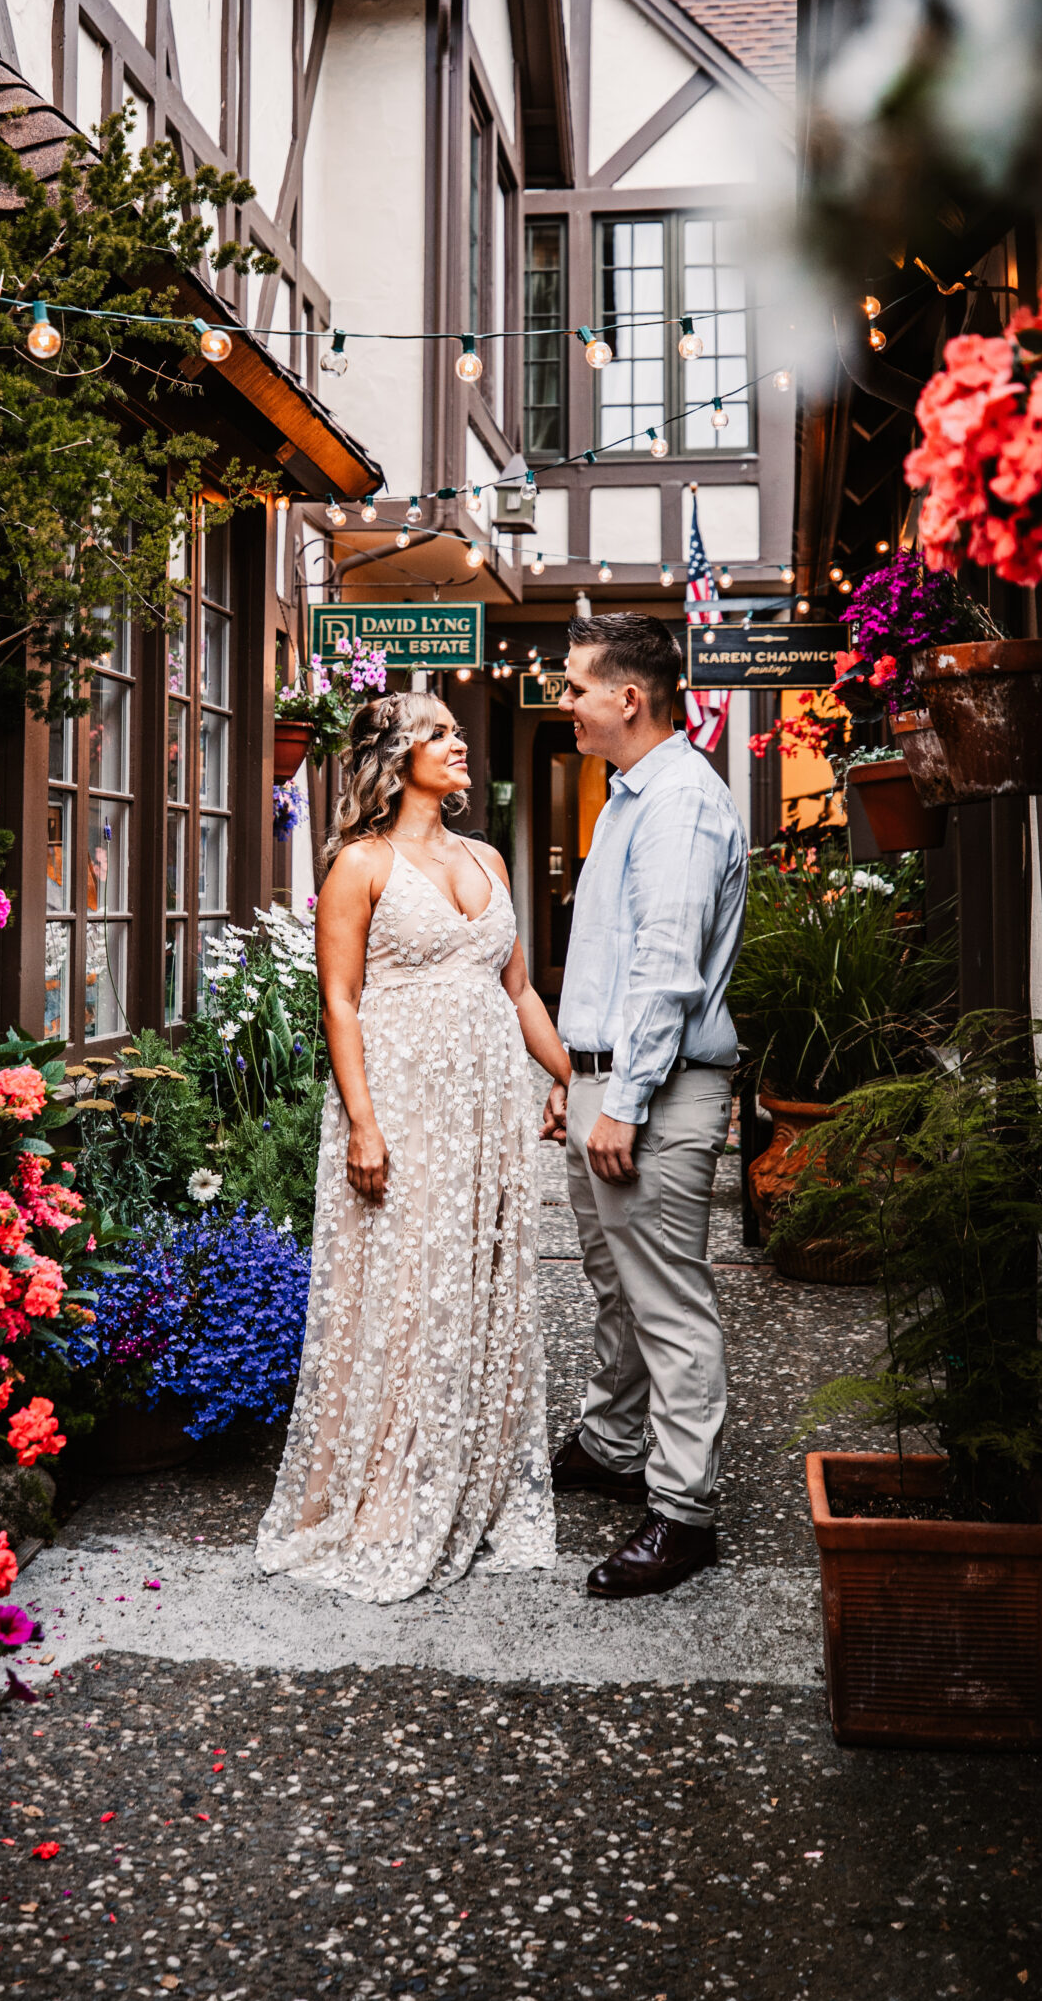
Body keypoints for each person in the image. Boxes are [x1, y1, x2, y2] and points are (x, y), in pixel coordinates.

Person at [256, 689, 572, 1601]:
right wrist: (361, 1118)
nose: (458, 743)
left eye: (457, 731)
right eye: (439, 733)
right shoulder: (359, 864)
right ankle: (394, 1488)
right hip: (401, 1102)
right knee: (406, 1288)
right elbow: (340, 1000)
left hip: (486, 1109)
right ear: (394, 760)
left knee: (477, 1280)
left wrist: (565, 1075)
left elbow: (516, 993)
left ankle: (469, 1475)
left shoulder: (486, 858)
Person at [541, 612, 748, 1598]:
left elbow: (665, 977)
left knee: (668, 1303)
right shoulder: (627, 796)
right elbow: (615, 963)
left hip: (654, 1094)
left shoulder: (679, 806)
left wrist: (618, 1098)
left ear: (629, 696)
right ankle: (614, 1444)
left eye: (576, 684)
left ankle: (682, 1512)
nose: (563, 699)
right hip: (609, 1082)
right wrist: (572, 1077)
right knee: (616, 1283)